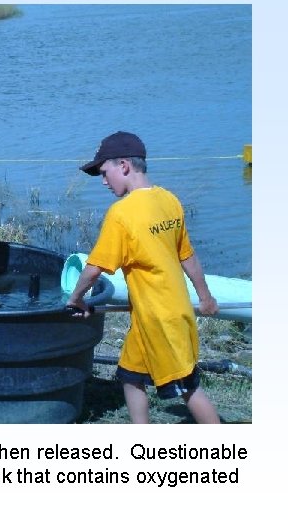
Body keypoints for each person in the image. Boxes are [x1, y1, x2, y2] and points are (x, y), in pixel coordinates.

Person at [66, 131, 221, 424]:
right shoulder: (169, 200)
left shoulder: (121, 214)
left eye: (104, 172)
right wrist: (204, 296)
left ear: (123, 165)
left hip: (159, 319)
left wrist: (75, 299)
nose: (103, 181)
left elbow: (94, 268)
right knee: (130, 374)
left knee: (188, 388)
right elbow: (187, 255)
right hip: (159, 315)